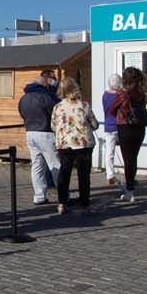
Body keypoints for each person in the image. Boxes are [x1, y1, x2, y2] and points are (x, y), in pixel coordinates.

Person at [53, 77, 99, 214]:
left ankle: (62, 203)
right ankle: (84, 202)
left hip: (65, 143)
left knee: (64, 172)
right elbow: (94, 124)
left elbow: (53, 125)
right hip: (83, 142)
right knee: (84, 174)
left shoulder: (57, 107)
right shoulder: (84, 105)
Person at [18, 69, 59, 205]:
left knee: (37, 165)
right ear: (47, 81)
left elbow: (22, 114)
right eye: (53, 79)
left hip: (30, 132)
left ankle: (39, 195)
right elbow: (55, 113)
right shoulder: (46, 97)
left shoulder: (24, 97)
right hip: (45, 132)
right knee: (55, 164)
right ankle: (63, 195)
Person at [111, 67, 147, 202]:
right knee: (134, 158)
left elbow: (112, 109)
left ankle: (129, 191)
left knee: (128, 160)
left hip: (125, 126)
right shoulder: (142, 93)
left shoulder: (123, 93)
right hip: (140, 127)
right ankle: (130, 187)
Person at [98, 74, 124, 185]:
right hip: (120, 125)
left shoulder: (105, 95)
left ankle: (110, 174)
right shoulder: (121, 95)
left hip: (108, 125)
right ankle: (127, 173)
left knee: (109, 151)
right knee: (125, 151)